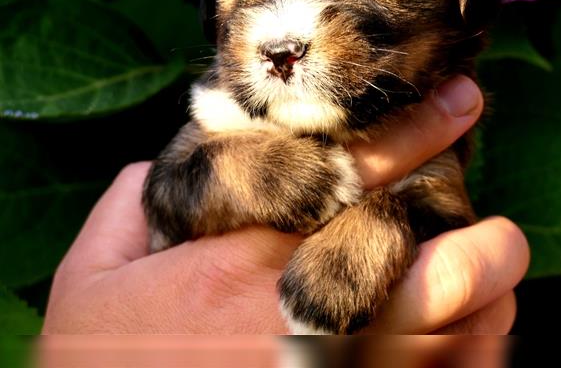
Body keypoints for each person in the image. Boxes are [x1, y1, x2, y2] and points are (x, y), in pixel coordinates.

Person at [42, 76, 530, 334]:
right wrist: (256, 172)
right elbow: (170, 190)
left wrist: (381, 222)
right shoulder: (224, 110)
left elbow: (442, 223)